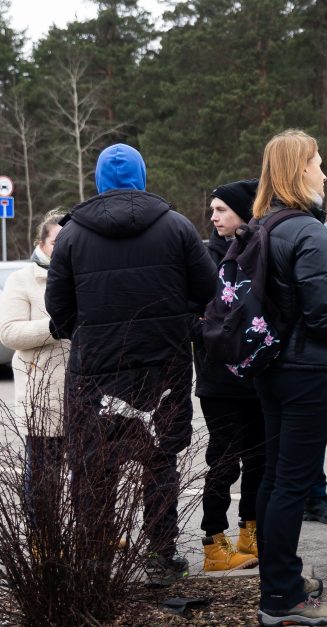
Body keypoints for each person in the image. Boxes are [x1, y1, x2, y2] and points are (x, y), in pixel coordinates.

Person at [45, 143, 217, 587]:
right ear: (142, 176)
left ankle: (96, 560)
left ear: (98, 181)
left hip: (94, 373)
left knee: (94, 468)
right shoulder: (176, 227)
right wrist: (179, 323)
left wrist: (82, 334)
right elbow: (208, 289)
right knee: (160, 461)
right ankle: (161, 557)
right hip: (164, 367)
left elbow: (58, 308)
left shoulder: (71, 235)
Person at [252, 129, 327, 627]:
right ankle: (280, 599)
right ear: (299, 172)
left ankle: (281, 580)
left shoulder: (263, 224)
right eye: (317, 162)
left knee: (276, 478)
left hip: (270, 366)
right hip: (304, 370)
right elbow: (322, 313)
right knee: (292, 483)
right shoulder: (308, 231)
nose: (324, 171)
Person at [193, 179, 265, 571]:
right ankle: (213, 542)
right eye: (213, 209)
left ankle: (249, 533)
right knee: (223, 460)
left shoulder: (259, 249)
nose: (213, 216)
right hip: (218, 380)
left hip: (256, 377)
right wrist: (207, 330)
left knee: (259, 458)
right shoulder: (204, 257)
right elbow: (189, 314)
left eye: (221, 209)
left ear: (243, 211)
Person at [0, 210, 69, 524]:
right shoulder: (22, 279)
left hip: (84, 393)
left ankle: (91, 536)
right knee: (44, 476)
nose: (64, 246)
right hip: (43, 398)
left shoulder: (80, 275)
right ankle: (44, 537)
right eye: (57, 241)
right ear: (41, 243)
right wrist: (54, 327)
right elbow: (9, 332)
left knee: (90, 475)